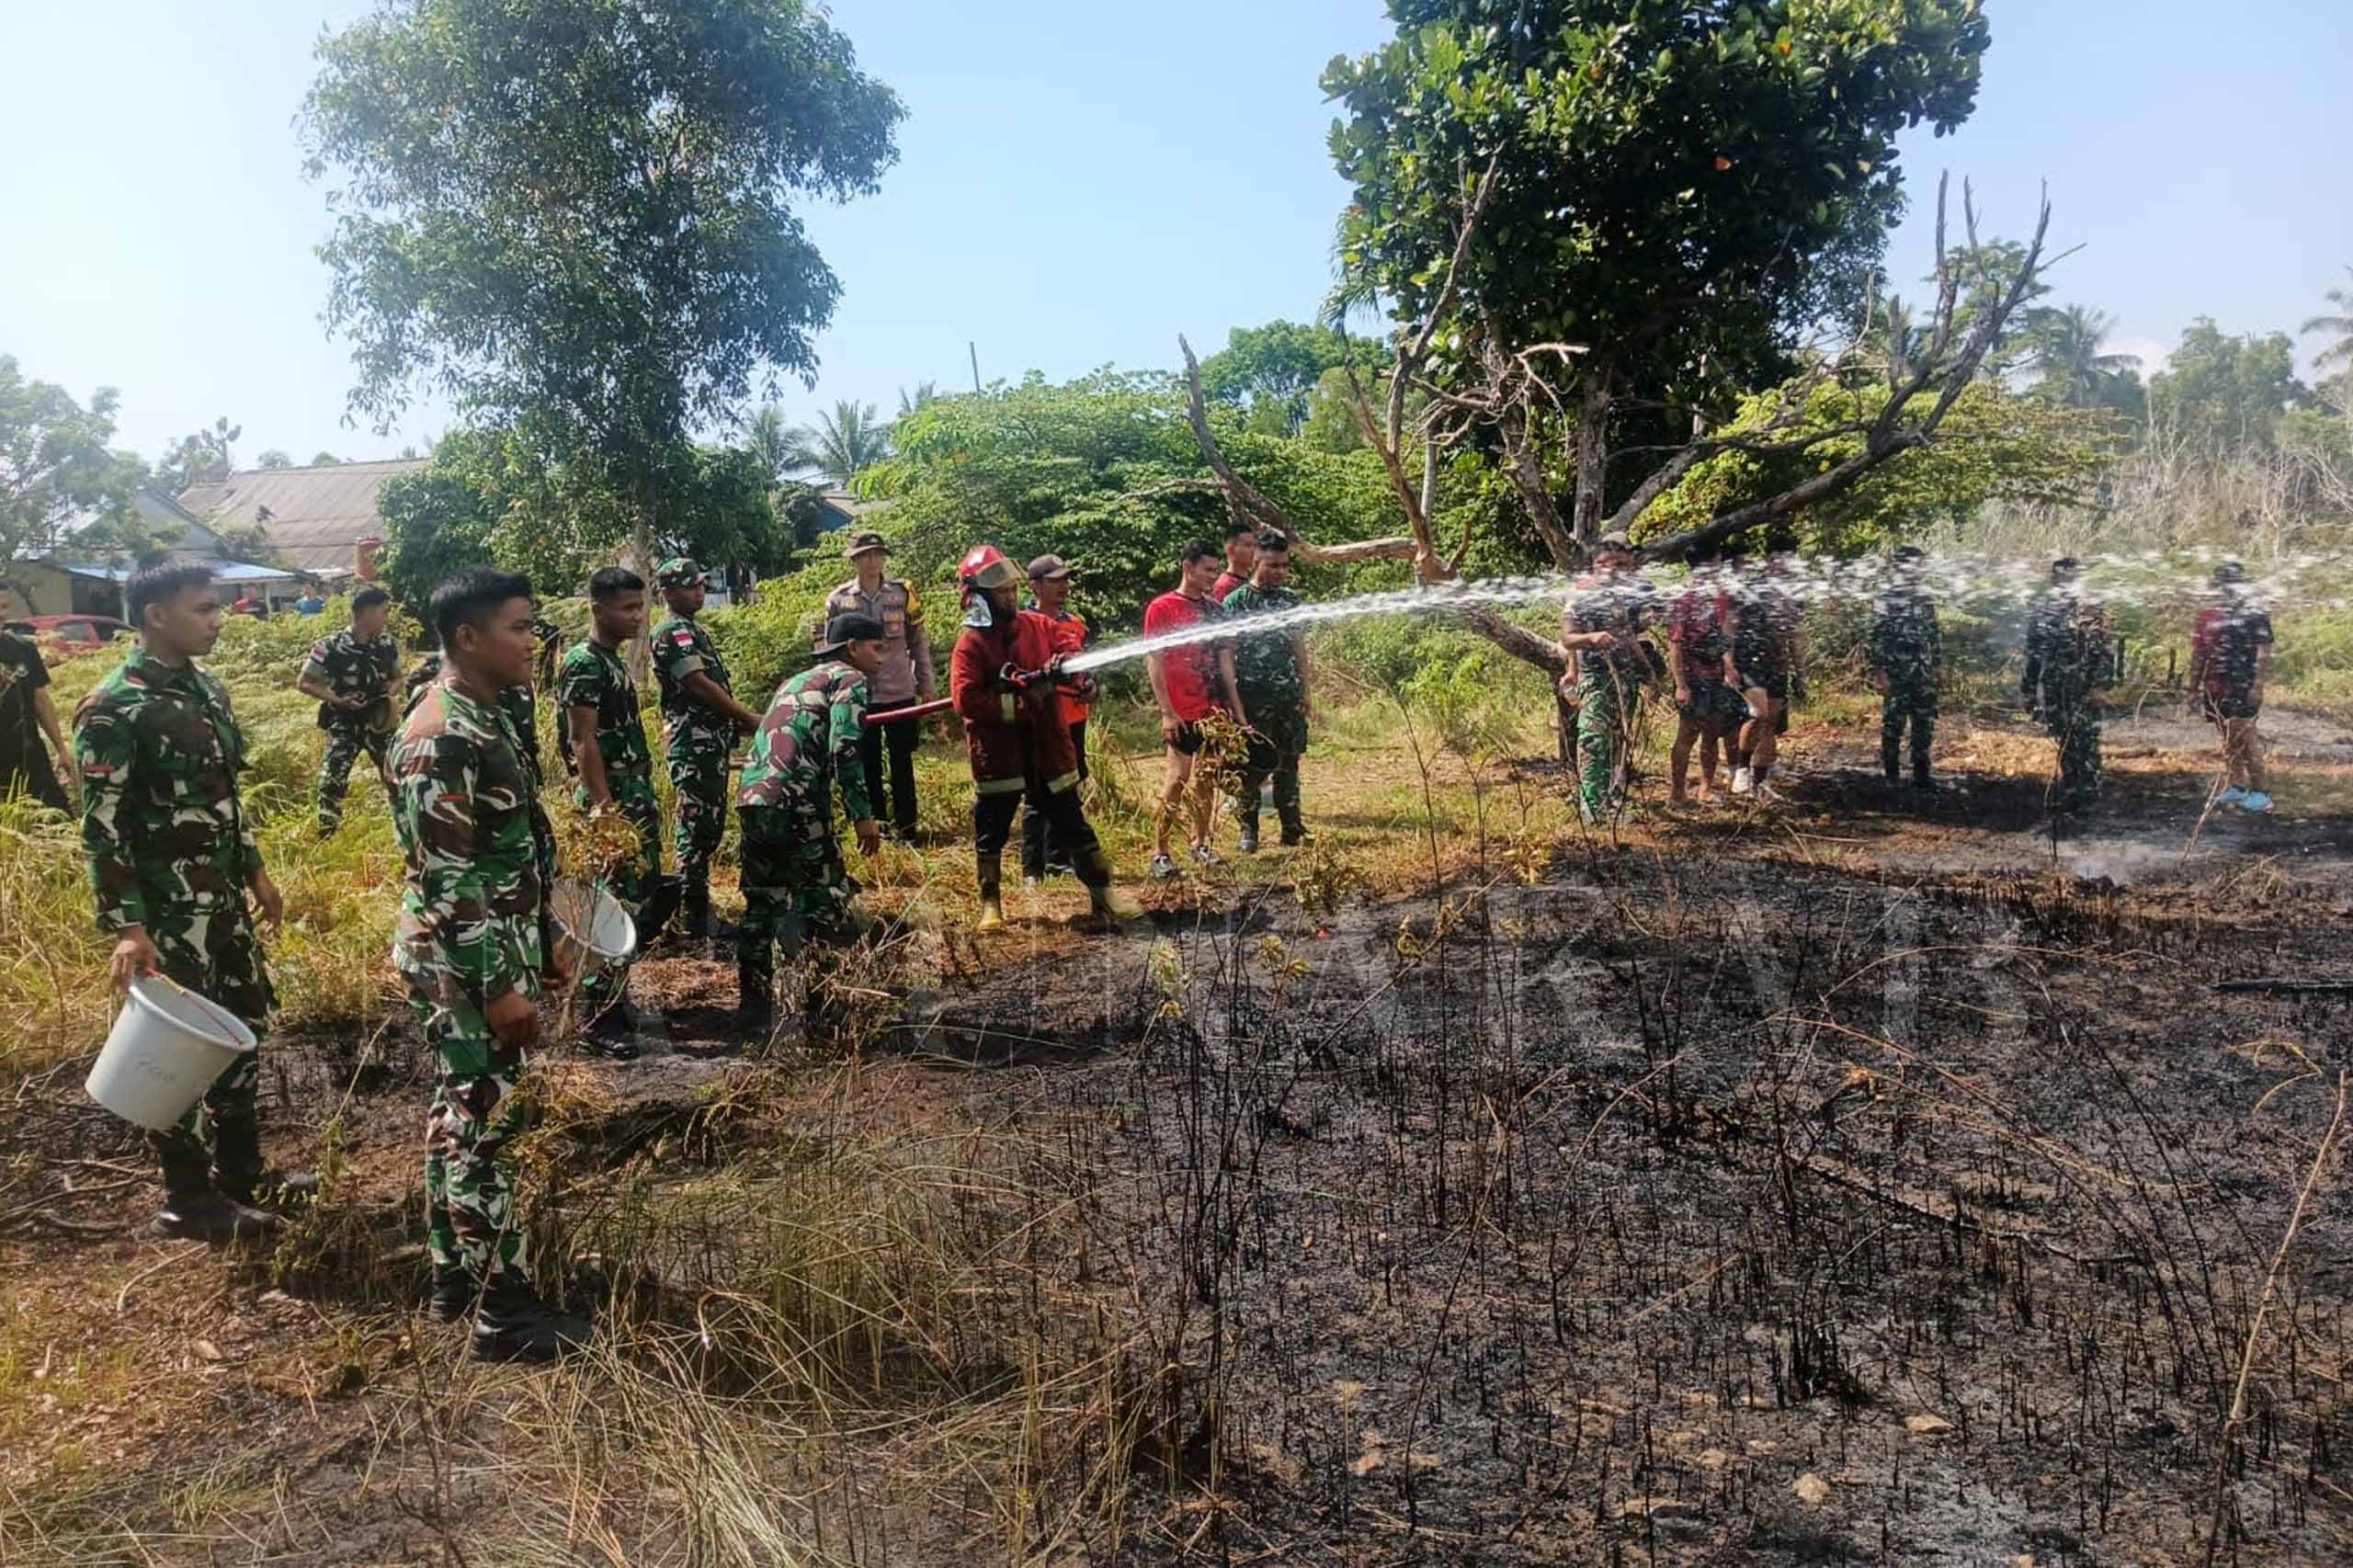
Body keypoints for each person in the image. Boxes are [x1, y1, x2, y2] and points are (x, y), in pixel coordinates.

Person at [74, 559, 309, 1244]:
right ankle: (187, 1196)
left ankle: (241, 1171)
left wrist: (257, 871)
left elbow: (225, 800)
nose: (218, 620)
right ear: (157, 616)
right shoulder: (113, 706)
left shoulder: (207, 689)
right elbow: (102, 826)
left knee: (243, 1023)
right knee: (178, 1048)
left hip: (222, 901)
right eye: (205, 609)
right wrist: (128, 927)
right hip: (165, 915)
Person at [391, 566, 591, 1362]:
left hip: (490, 947)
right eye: (518, 627)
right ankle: (504, 1314)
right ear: (467, 638)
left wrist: (540, 940)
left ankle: (453, 1277)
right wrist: (499, 986)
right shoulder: (440, 732)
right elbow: (448, 878)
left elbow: (510, 850)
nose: (532, 641)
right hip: (462, 963)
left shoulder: (486, 713)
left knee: (458, 1115)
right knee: (489, 1129)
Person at [951, 545, 1140, 929]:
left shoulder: (1039, 626)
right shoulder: (971, 643)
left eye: (1010, 590)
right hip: (1000, 755)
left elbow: (1069, 653)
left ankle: (1104, 895)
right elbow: (966, 699)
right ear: (979, 598)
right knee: (991, 831)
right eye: (999, 592)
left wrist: (1082, 679)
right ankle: (991, 903)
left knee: (1073, 824)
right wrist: (1020, 704)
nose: (1008, 596)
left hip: (1047, 748)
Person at [733, 613, 888, 1036]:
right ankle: (820, 1004)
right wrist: (863, 816)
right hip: (797, 802)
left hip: (753, 798)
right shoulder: (850, 680)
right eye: (876, 648)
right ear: (853, 647)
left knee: (763, 899)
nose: (882, 657)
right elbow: (846, 751)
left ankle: (753, 1004)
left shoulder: (797, 681)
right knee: (823, 896)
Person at [558, 566, 676, 1058]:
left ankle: (615, 1000)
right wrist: (605, 810)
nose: (637, 617)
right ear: (597, 609)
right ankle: (600, 1018)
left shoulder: (610, 662)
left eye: (639, 607)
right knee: (610, 908)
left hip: (633, 799)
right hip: (612, 806)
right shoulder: (585, 663)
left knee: (645, 895)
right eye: (627, 609)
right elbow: (582, 739)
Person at [650, 558, 760, 937]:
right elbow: (697, 684)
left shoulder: (691, 629)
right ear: (667, 591)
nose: (699, 591)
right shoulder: (672, 632)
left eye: (700, 584)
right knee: (695, 827)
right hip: (691, 743)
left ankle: (696, 906)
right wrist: (745, 716)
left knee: (709, 825)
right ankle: (690, 914)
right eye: (689, 586)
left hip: (708, 741)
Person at [820, 530, 935, 840]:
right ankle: (876, 828)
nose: (872, 561)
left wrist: (927, 683)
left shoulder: (902, 594)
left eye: (877, 554)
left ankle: (908, 829)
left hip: (899, 689)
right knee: (865, 761)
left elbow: (919, 642)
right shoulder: (839, 600)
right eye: (865, 556)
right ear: (854, 561)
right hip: (858, 693)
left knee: (902, 762)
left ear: (884, 557)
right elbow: (827, 649)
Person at [1144, 541, 1245, 879]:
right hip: (1181, 709)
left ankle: (1199, 844)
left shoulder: (1216, 611)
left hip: (1213, 710)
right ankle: (1159, 852)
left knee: (1206, 781)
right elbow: (1154, 661)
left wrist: (1236, 712)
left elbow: (1225, 663)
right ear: (1188, 567)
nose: (1212, 576)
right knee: (1177, 779)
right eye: (1207, 570)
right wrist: (1166, 712)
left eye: (1216, 570)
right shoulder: (1161, 608)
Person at [1222, 532, 1313, 851]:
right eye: (1272, 565)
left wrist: (1306, 690)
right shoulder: (1236, 602)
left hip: (1288, 696)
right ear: (1256, 561)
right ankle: (1249, 830)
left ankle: (1292, 828)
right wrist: (1235, 705)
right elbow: (1227, 655)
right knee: (1252, 764)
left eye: (1284, 566)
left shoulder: (1290, 600)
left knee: (1290, 762)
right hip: (1252, 697)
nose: (1279, 571)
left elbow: (1298, 646)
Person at [1559, 532, 1654, 822]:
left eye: (1621, 564)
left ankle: (1610, 799)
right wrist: (1591, 638)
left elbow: (1629, 635)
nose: (1615, 569)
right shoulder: (1583, 592)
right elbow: (1568, 638)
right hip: (1596, 678)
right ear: (1596, 564)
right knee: (1594, 739)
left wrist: (1647, 670)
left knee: (1617, 740)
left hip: (1624, 679)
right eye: (1608, 563)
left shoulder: (1624, 596)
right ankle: (1591, 807)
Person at [298, 585, 402, 835]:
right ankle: (327, 834)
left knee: (398, 778)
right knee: (331, 781)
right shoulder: (330, 645)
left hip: (380, 721)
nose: (388, 617)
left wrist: (391, 691)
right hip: (344, 721)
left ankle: (407, 828)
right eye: (384, 611)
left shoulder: (387, 643)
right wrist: (338, 700)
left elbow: (399, 677)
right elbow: (304, 683)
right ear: (367, 612)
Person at [2021, 557, 2116, 814]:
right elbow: (2033, 652)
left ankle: (2091, 795)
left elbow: (2106, 652)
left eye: (2073, 577)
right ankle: (2072, 791)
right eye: (2063, 577)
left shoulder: (2092, 607)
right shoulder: (2043, 609)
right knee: (2064, 739)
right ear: (2054, 579)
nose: (2068, 581)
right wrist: (2028, 691)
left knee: (2087, 740)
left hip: (2084, 688)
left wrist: (2100, 687)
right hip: (2055, 687)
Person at [1020, 554, 1090, 885]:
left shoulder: (1074, 623)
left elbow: (1083, 668)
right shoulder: (1020, 624)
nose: (1063, 586)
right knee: (1036, 793)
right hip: (1038, 721)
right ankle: (1032, 867)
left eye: (1066, 580)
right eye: (1055, 580)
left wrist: (1090, 686)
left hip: (1074, 719)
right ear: (1035, 586)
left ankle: (1059, 859)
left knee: (1069, 787)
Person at [2189, 560, 2275, 813]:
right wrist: (2192, 689)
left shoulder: (2255, 613)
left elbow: (2264, 651)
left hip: (2243, 683)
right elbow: (2199, 654)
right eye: (2223, 584)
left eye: (2231, 583)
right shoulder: (2207, 615)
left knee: (2245, 736)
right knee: (2227, 738)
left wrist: (2257, 685)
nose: (2227, 589)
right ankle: (2236, 785)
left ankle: (2261, 791)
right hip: (2215, 686)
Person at [1665, 543, 1743, 805]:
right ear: (1705, 565)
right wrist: (1681, 685)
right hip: (1692, 677)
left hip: (1715, 676)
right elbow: (1674, 645)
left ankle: (1705, 788)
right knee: (1687, 734)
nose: (1720, 567)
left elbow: (1719, 637)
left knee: (1713, 731)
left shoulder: (1714, 597)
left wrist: (1728, 666)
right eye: (1718, 562)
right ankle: (1677, 793)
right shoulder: (1683, 599)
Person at [1725, 551, 1801, 801]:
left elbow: (1795, 635)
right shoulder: (1751, 588)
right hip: (1749, 662)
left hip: (1777, 665)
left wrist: (1800, 672)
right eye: (1779, 558)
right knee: (1758, 715)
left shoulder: (1792, 592)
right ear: (1769, 560)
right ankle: (1742, 769)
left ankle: (1759, 783)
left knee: (1770, 723)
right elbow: (1730, 628)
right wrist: (1729, 664)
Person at [1869, 545, 1942, 792]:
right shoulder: (1886, 596)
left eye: (1921, 565)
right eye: (1914, 564)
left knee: (1924, 723)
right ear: (1900, 566)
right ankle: (1891, 774)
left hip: (1923, 672)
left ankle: (1922, 774)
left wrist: (1937, 666)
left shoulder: (1924, 597)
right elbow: (1877, 636)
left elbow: (1933, 634)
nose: (1919, 570)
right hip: (1896, 672)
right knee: (1893, 724)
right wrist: (1880, 672)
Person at [0, 624, 72, 809]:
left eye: (4, 607)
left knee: (55, 821)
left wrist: (61, 749)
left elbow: (40, 700)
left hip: (29, 755)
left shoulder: (23, 648)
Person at [1211, 522, 1257, 603]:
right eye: (1248, 545)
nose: (1253, 550)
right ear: (1231, 549)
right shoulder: (1224, 586)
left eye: (1255, 546)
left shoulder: (1251, 582)